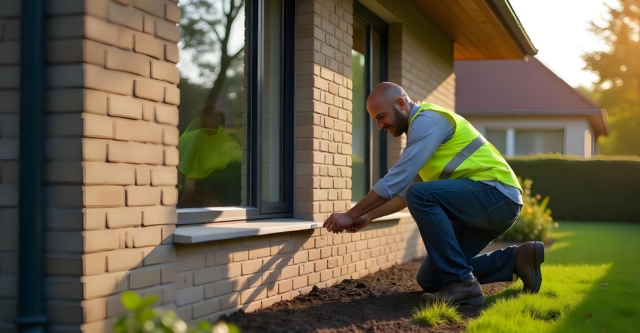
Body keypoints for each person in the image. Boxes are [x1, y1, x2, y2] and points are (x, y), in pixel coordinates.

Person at [323, 82, 544, 306]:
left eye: (381, 116)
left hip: (496, 195)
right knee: (430, 278)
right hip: (485, 204)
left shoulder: (428, 121)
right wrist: (368, 216)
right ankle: (517, 260)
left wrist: (350, 214)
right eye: (376, 120)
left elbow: (399, 179)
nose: (379, 125)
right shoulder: (422, 135)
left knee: (421, 196)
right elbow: (405, 192)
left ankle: (461, 284)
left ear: (401, 103)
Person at [178, 104, 242, 207]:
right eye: (213, 115)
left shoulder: (221, 134)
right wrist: (190, 178)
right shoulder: (196, 135)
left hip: (219, 178)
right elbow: (187, 159)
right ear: (203, 118)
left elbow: (236, 153)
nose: (218, 118)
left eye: (218, 115)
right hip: (199, 182)